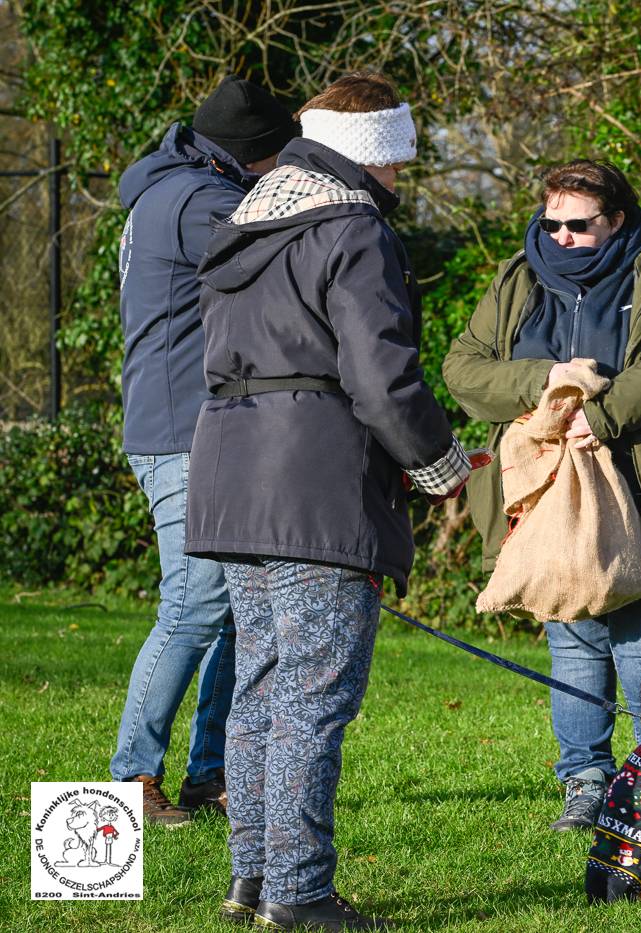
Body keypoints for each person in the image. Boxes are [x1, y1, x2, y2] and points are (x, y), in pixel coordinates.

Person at [186, 72, 472, 931]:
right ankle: (300, 891)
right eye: (397, 166)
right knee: (312, 694)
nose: (400, 183)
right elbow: (382, 381)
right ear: (372, 155)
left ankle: (252, 878)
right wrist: (441, 464)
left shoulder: (244, 221)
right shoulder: (351, 227)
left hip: (232, 474)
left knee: (263, 689)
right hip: (313, 483)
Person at [442, 160, 641, 834]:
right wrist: (544, 380)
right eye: (554, 224)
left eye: (582, 224)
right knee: (574, 651)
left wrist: (605, 410)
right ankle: (585, 783)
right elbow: (463, 367)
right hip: (548, 499)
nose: (564, 236)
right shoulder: (519, 277)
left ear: (617, 220)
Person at [114, 74, 297, 825]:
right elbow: (285, 256)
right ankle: (132, 776)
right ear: (250, 155)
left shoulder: (175, 188)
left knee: (230, 607)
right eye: (276, 158)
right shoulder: (200, 201)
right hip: (180, 431)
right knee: (195, 604)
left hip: (199, 428)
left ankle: (210, 774)